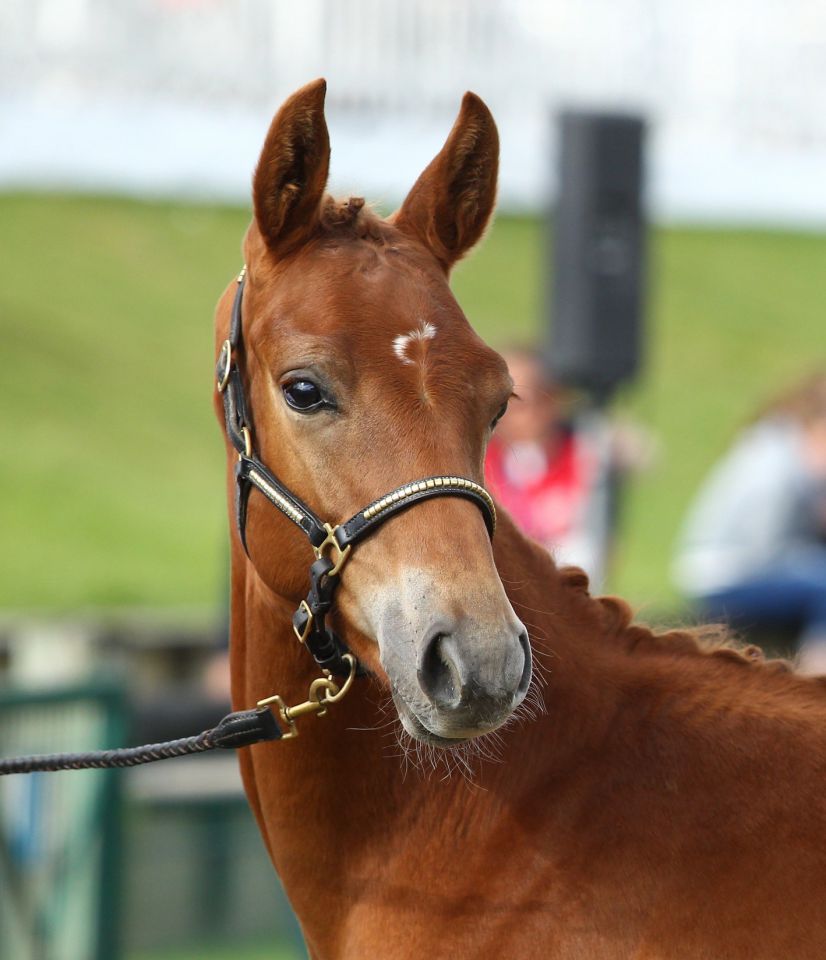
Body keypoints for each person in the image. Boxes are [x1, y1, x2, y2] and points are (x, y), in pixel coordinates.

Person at [672, 372, 826, 674]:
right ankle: (816, 679)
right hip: (724, 577)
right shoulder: (771, 469)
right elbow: (766, 555)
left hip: (745, 567)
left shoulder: (783, 458)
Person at [485, 348, 626, 589]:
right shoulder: (480, 466)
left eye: (543, 397)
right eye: (514, 404)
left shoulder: (585, 454)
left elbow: (596, 552)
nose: (535, 413)